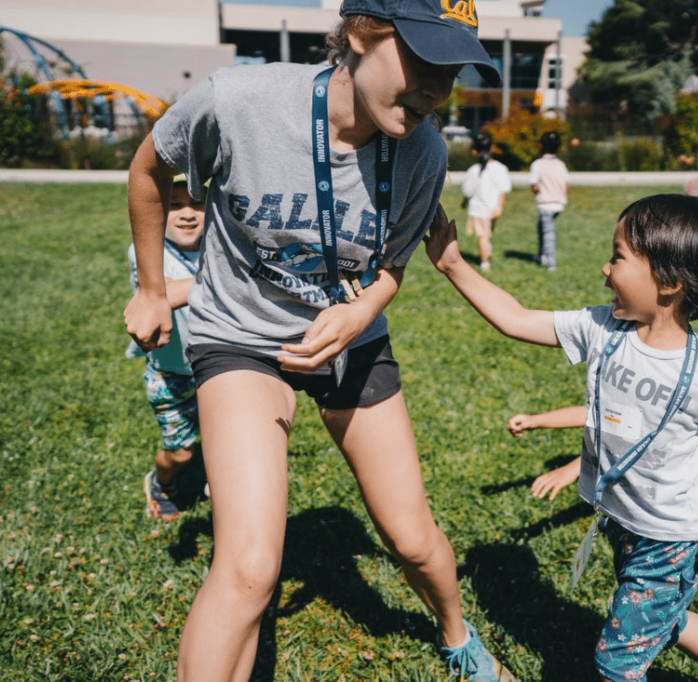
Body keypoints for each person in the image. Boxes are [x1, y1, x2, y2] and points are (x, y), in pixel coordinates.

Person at [123, 1, 513, 680]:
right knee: (248, 568)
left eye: (453, 72)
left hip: (350, 340)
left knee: (412, 540)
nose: (439, 93)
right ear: (360, 34)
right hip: (240, 337)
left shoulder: (424, 149)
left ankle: (457, 635)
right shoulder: (235, 102)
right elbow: (147, 172)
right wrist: (154, 288)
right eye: (424, 62)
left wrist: (361, 314)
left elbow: (391, 267)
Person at [427, 193, 698, 682]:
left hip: (670, 538)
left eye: (618, 257)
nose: (604, 269)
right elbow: (517, 319)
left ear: (670, 282)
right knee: (663, 619)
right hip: (623, 520)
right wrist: (453, 266)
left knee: (616, 665)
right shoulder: (603, 327)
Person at [126, 175, 206, 521]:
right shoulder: (145, 251)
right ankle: (160, 482)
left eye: (197, 203)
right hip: (169, 374)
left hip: (214, 368)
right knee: (181, 454)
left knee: (227, 442)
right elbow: (165, 291)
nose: (187, 214)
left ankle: (220, 482)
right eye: (174, 204)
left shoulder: (222, 245)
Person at [508, 406, 698, 512]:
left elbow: (640, 445)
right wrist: (534, 420)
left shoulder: (676, 391)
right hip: (671, 472)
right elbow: (601, 413)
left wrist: (574, 468)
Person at [462, 132, 512, 271]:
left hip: (479, 209)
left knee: (482, 236)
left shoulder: (473, 170)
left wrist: (464, 201)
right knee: (487, 234)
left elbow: (468, 191)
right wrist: (499, 207)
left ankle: (484, 263)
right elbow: (504, 189)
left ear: (474, 151)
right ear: (492, 149)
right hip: (494, 208)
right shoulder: (501, 168)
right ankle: (487, 254)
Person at [528, 131, 569, 271]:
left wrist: (537, 189)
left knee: (548, 234)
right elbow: (565, 185)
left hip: (546, 204)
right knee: (542, 228)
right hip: (559, 203)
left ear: (540, 146)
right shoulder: (561, 165)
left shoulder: (537, 164)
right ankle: (541, 255)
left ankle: (551, 263)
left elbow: (534, 186)